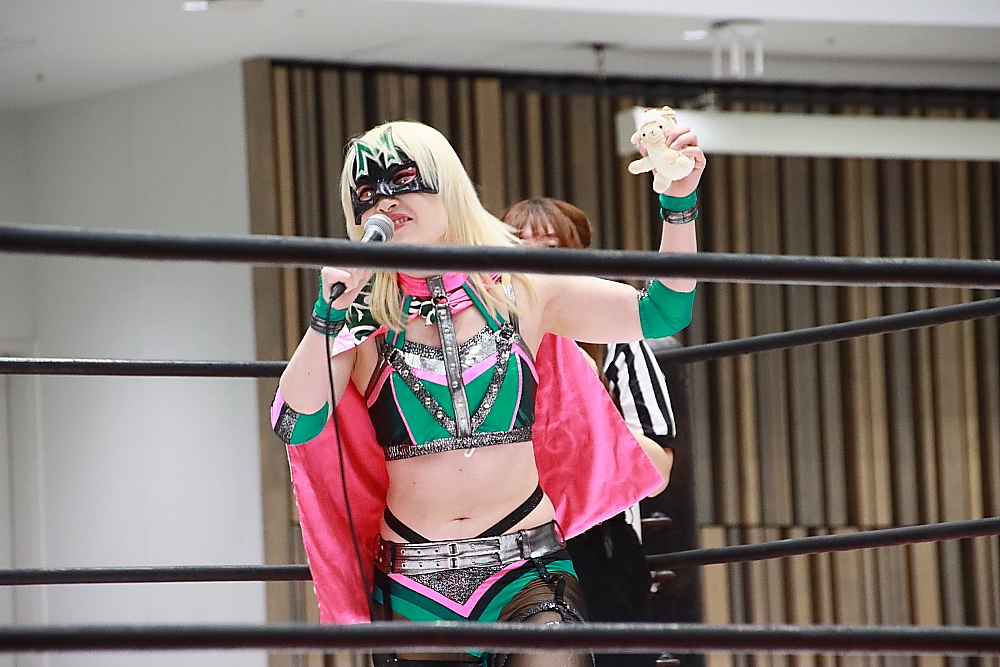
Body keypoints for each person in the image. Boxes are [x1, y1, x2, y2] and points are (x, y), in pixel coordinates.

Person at [270, 119, 704, 667]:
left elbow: (661, 310)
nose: (385, 200)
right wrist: (326, 317)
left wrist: (678, 204)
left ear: (447, 183)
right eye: (366, 191)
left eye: (402, 180)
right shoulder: (361, 315)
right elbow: (294, 423)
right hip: (413, 581)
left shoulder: (523, 287)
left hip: (528, 567)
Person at [503, 198, 680, 667]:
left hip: (597, 539)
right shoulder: (482, 337)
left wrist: (581, 401)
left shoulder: (614, 332)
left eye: (550, 247)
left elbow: (657, 469)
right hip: (505, 542)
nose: (533, 261)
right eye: (517, 247)